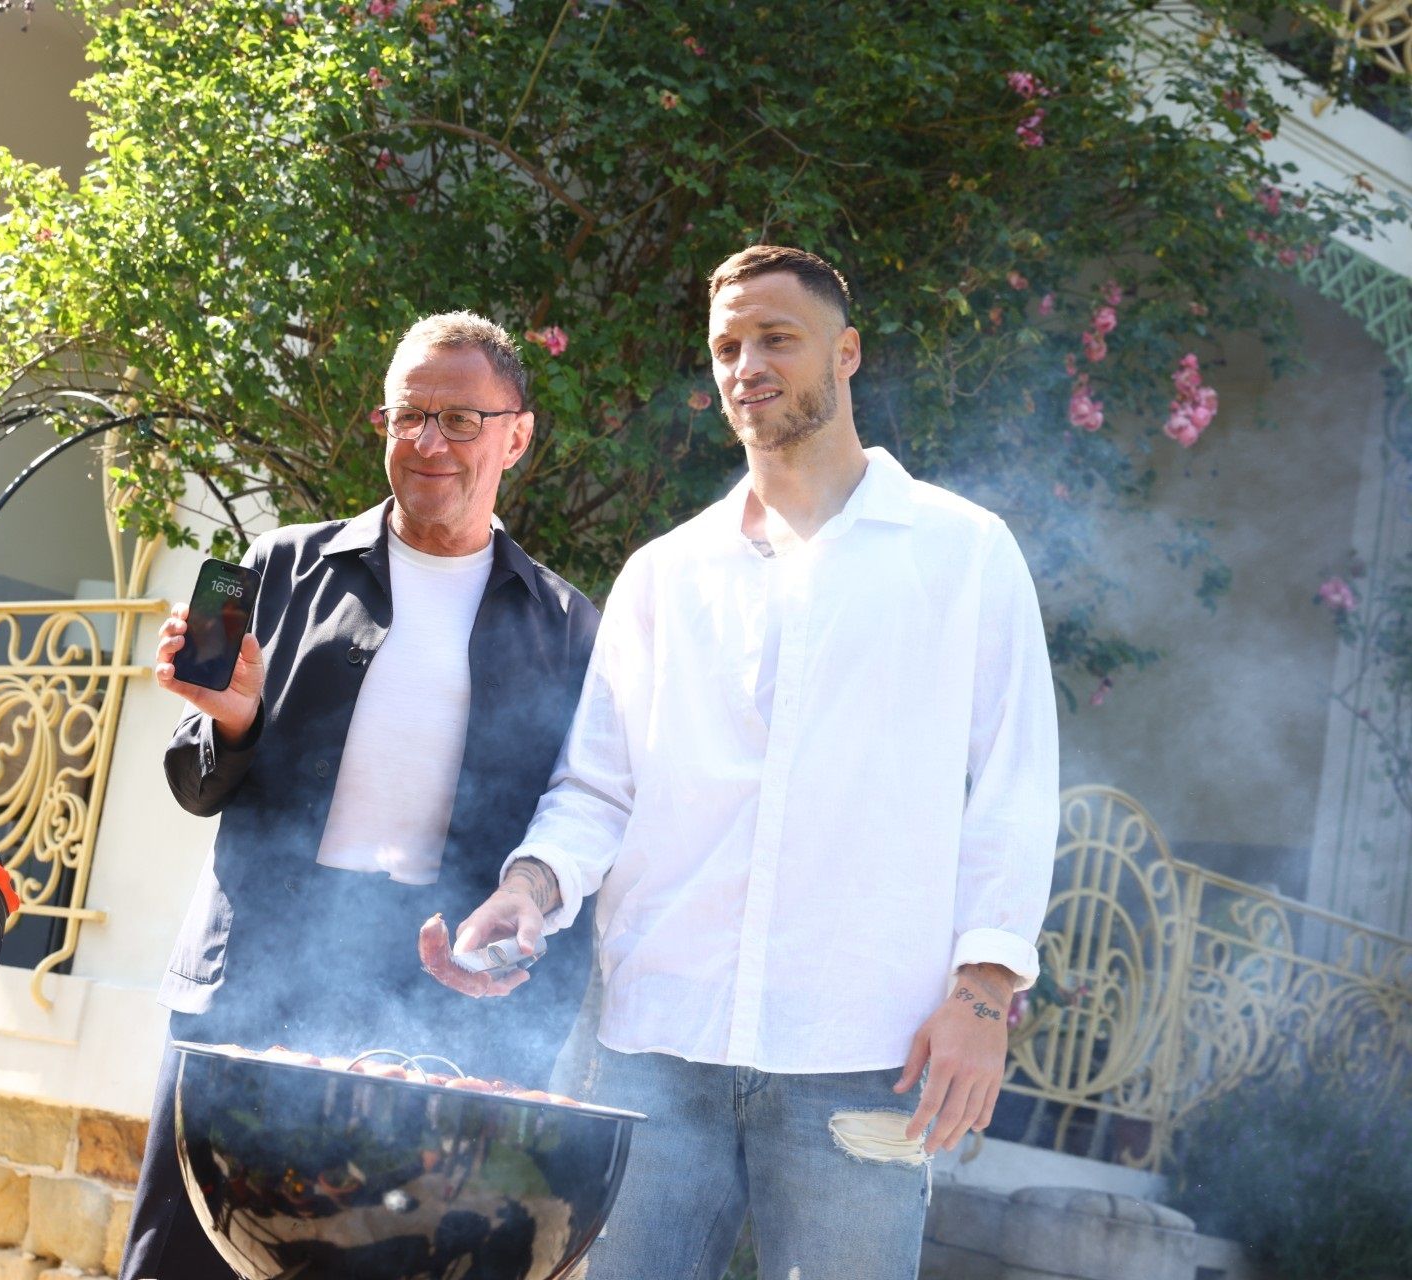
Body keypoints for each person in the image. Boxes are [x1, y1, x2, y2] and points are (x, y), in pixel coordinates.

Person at [426, 246, 1059, 1279]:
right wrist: (528, 889)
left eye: (776, 337)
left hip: (864, 1053)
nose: (746, 364)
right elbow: (599, 788)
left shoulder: (965, 553)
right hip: (654, 1045)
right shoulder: (664, 573)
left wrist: (983, 993)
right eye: (727, 346)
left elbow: (1014, 792)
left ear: (846, 353)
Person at [120, 312, 601, 1280]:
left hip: (432, 998)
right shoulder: (273, 566)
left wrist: (525, 1013)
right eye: (408, 415)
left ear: (516, 436)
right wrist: (232, 720)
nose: (429, 442)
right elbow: (193, 780)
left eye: (461, 420)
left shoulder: (566, 625)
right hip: (255, 972)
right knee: (182, 1257)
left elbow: (583, 814)